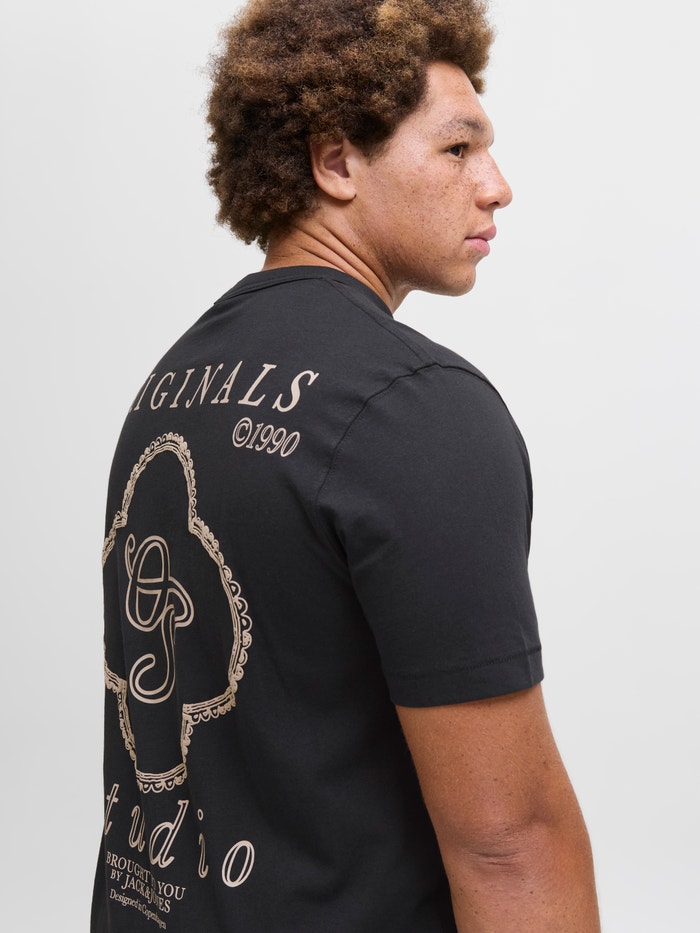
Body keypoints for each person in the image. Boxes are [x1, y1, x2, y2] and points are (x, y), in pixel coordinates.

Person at [91, 0, 600, 929]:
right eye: (458, 148)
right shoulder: (416, 409)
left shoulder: (171, 386)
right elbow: (510, 841)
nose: (497, 186)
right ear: (335, 164)